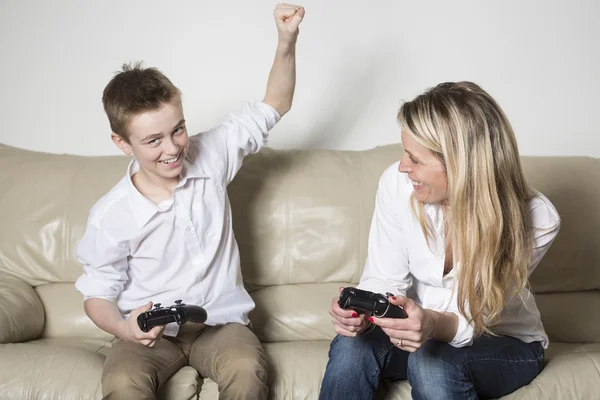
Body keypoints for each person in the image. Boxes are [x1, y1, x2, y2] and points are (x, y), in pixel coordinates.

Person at [74, 4, 305, 399]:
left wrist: (286, 41)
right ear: (122, 143)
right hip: (151, 334)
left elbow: (275, 104)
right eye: (153, 140)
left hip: (221, 326)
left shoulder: (211, 155)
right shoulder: (111, 215)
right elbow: (97, 294)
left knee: (248, 369)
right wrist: (124, 328)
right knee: (121, 383)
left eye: (177, 130)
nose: (172, 149)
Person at [319, 81, 560, 400]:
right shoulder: (398, 184)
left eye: (415, 159)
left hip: (501, 342)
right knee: (353, 343)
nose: (404, 167)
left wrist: (431, 324)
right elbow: (384, 277)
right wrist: (362, 310)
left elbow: (476, 315)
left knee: (432, 363)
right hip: (418, 330)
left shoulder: (536, 217)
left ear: (461, 165)